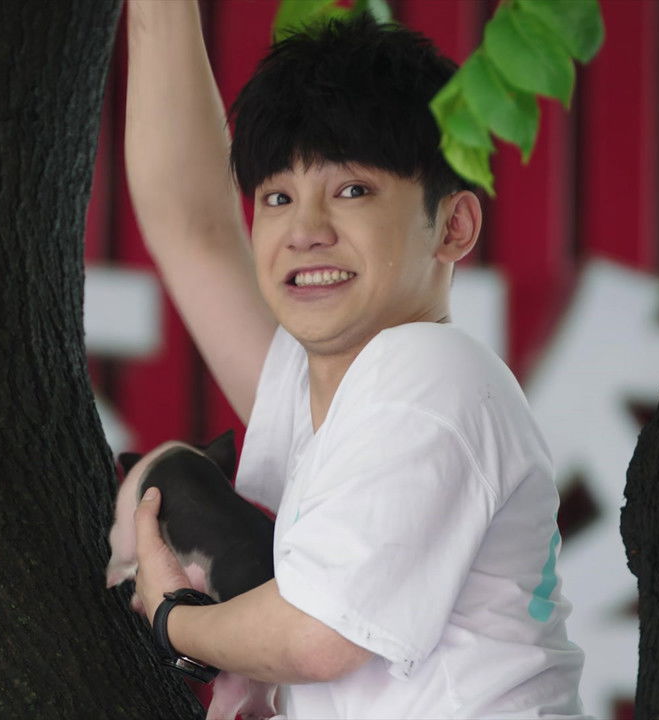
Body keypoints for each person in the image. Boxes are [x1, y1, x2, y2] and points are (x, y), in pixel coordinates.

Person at [124, 2, 586, 717]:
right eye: (278, 196)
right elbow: (194, 226)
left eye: (352, 191)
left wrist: (172, 619)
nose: (305, 230)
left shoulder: (427, 372)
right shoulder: (337, 386)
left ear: (454, 225)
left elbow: (317, 635)